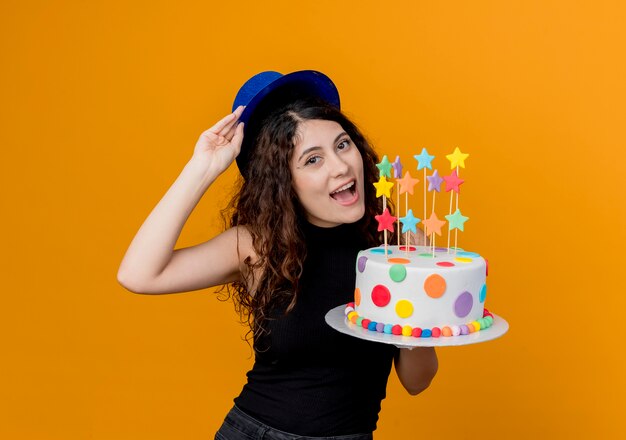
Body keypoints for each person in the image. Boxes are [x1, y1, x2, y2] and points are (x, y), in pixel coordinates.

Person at [117, 70, 438, 440]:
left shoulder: (397, 244)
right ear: (284, 182)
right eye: (313, 160)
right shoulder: (259, 245)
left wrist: (414, 306)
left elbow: (417, 381)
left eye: (342, 145)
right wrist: (202, 168)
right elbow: (138, 274)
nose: (341, 166)